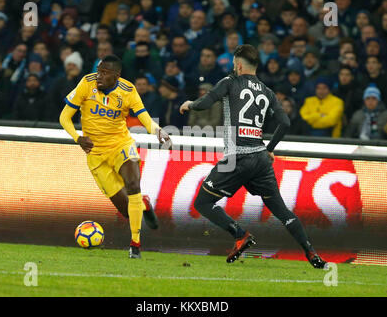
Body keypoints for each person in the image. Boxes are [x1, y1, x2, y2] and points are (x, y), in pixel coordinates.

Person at [179, 44, 326, 269]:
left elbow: (205, 103)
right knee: (281, 210)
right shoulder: (267, 91)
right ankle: (311, 252)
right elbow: (285, 122)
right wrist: (270, 148)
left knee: (203, 202)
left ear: (238, 65)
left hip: (236, 158)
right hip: (260, 159)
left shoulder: (229, 82)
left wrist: (190, 104)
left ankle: (240, 235)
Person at [59, 55, 171, 259]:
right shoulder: (86, 83)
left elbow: (145, 118)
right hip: (95, 153)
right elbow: (64, 116)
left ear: (116, 76)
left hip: (121, 145)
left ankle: (135, 244)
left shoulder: (128, 91)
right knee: (128, 211)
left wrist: (158, 131)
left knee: (133, 184)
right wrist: (78, 138)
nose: (98, 76)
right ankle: (143, 204)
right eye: (98, 70)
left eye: (104, 73)